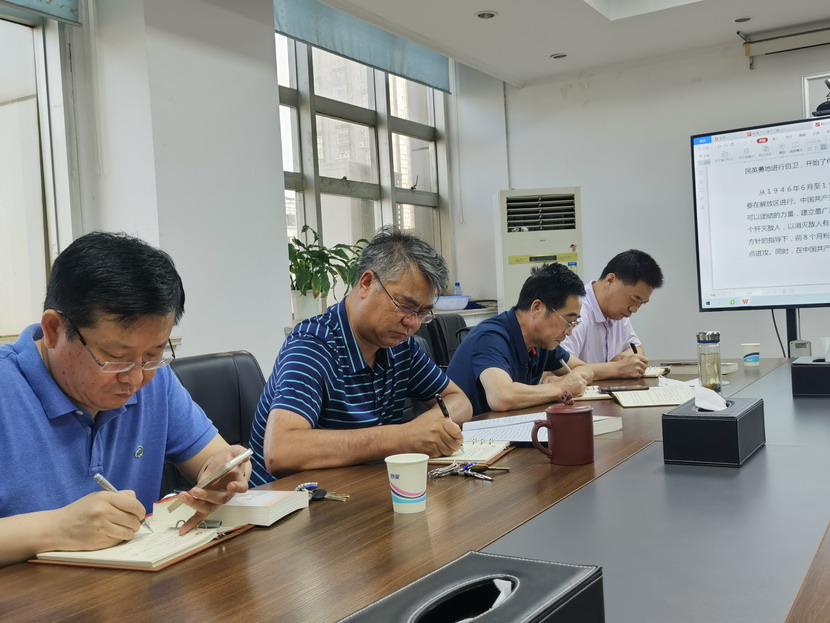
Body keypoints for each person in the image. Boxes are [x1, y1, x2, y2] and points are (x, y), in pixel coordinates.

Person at [0, 232, 251, 567]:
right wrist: (55, 528)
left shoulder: (152, 378)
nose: (134, 379)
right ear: (53, 329)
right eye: (115, 358)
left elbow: (214, 460)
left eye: (154, 354)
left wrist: (225, 475)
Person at [249, 227, 472, 482]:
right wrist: (402, 436)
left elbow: (459, 400)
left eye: (423, 313)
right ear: (367, 283)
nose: (413, 323)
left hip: (359, 489)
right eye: (405, 306)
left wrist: (430, 426)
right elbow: (281, 451)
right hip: (290, 499)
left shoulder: (400, 346)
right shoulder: (312, 345)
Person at [447, 263, 595, 416]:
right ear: (537, 308)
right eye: (567, 321)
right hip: (472, 429)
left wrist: (569, 380)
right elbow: (501, 397)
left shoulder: (541, 341)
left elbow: (585, 369)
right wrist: (560, 388)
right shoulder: (491, 338)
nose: (569, 332)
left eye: (574, 323)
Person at [560, 249, 663, 380]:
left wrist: (625, 359)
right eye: (634, 300)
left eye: (641, 303)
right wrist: (618, 368)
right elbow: (561, 368)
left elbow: (637, 348)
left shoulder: (618, 313)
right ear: (610, 280)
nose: (634, 309)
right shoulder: (577, 309)